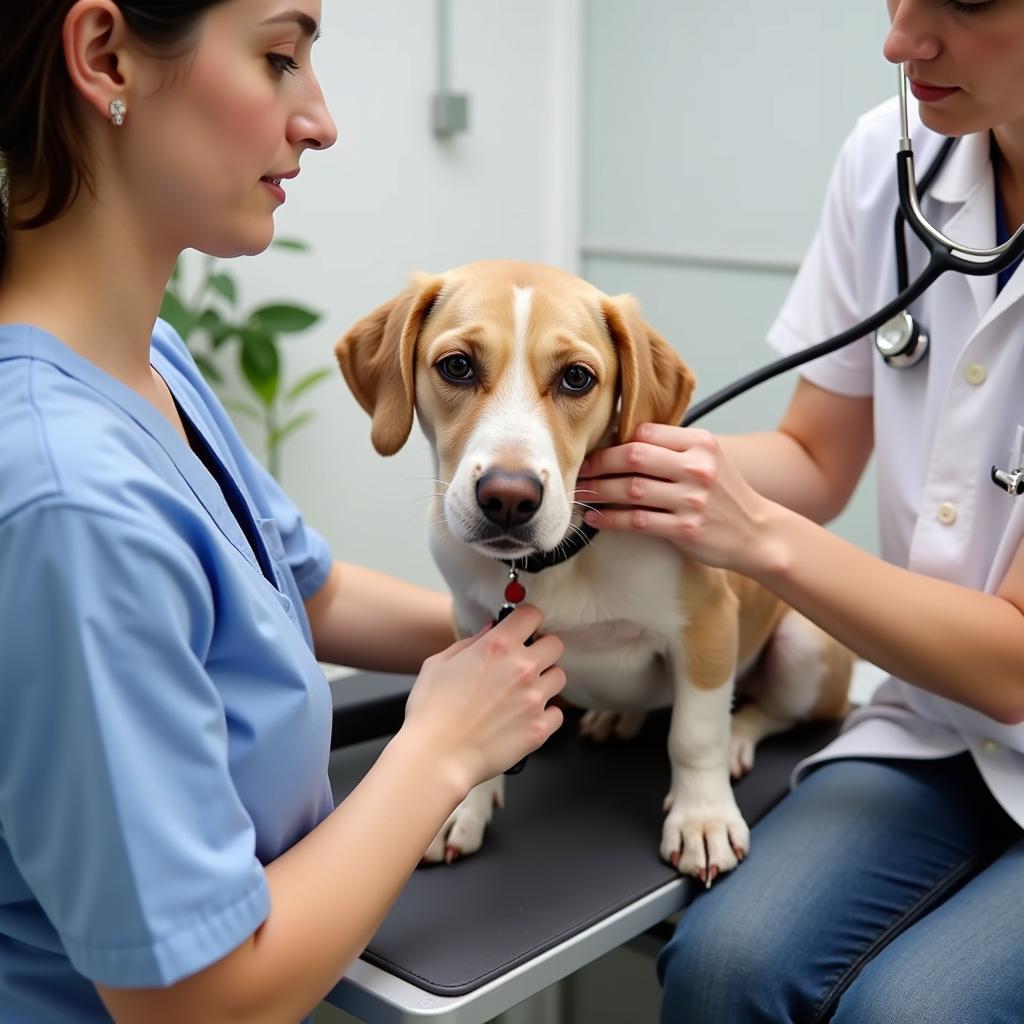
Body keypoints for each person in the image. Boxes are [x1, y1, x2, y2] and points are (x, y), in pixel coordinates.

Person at [0, 2, 567, 1022]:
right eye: (278, 59)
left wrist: (553, 627)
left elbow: (311, 594)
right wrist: (440, 747)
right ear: (103, 56)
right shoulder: (65, 497)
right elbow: (199, 1006)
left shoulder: (143, 360)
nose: (320, 119)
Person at [578, 1, 1024, 1020]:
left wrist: (757, 536)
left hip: (995, 683)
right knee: (721, 965)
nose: (899, 42)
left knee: (910, 1012)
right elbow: (816, 457)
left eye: (962, 2)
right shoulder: (893, 157)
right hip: (932, 721)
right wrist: (619, 465)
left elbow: (1010, 661)